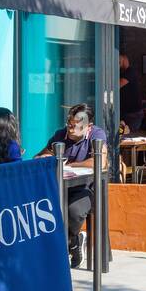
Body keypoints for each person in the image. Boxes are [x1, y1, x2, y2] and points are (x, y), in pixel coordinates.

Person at [36, 103, 108, 268]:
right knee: (43, 209)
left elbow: (100, 161)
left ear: (88, 126)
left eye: (76, 124)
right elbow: (43, 153)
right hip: (60, 188)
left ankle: (71, 242)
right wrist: (43, 157)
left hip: (87, 189)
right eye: (69, 122)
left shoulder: (96, 135)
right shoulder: (60, 135)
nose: (71, 127)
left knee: (73, 211)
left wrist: (69, 164)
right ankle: (71, 243)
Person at [119, 54, 144, 133]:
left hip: (133, 112)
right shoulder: (123, 73)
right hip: (126, 112)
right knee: (123, 134)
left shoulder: (130, 72)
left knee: (128, 135)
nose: (118, 63)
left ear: (124, 59)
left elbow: (117, 85)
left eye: (119, 61)